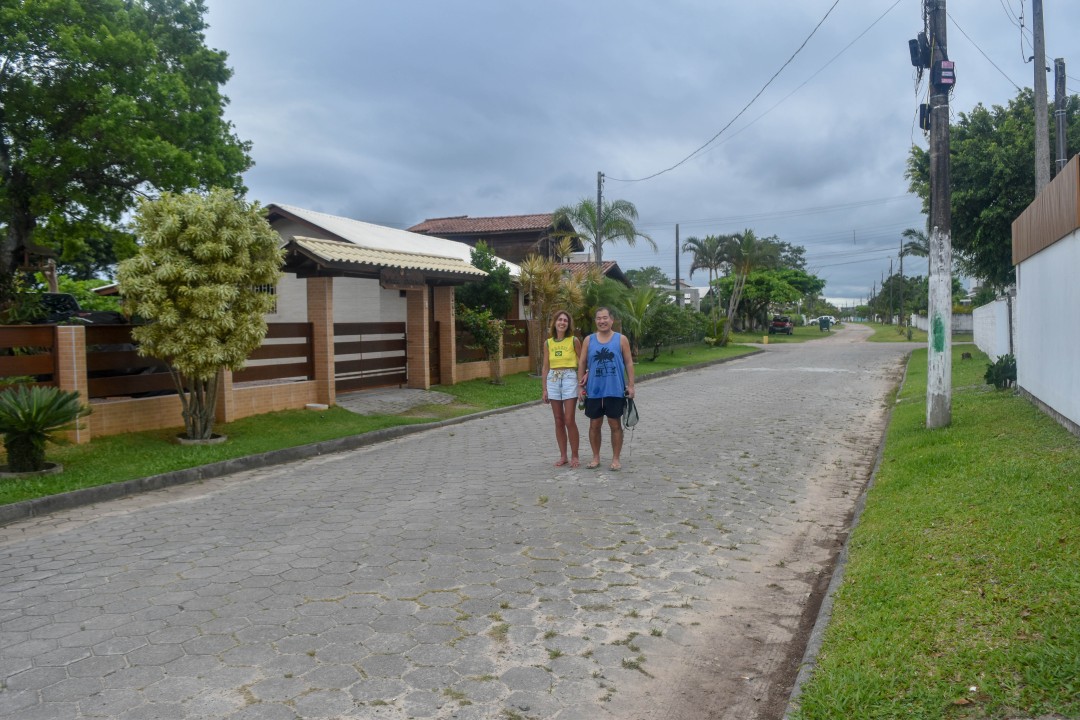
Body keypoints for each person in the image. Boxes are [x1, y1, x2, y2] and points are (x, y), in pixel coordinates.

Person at [578, 306, 635, 471]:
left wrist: (630, 385)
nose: (602, 321)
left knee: (614, 424)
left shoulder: (621, 339)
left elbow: (629, 362)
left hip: (615, 389)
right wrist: (579, 387)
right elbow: (582, 363)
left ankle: (616, 459)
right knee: (594, 424)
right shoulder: (589, 340)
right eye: (598, 318)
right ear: (595, 321)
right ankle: (596, 457)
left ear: (612, 320)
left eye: (605, 318)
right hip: (594, 390)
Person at [541, 310, 582, 468]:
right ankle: (563, 456)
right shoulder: (548, 343)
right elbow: (545, 367)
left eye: (565, 320)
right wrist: (545, 389)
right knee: (558, 420)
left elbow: (581, 362)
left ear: (568, 324)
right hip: (553, 379)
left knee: (569, 419)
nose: (562, 322)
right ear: (555, 322)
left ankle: (575, 455)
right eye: (560, 320)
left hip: (570, 378)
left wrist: (581, 384)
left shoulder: (574, 341)